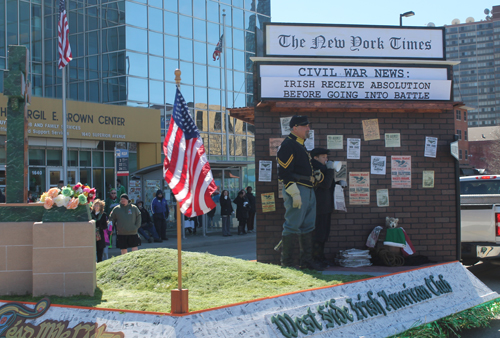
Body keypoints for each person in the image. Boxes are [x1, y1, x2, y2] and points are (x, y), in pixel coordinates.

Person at [277, 115, 323, 271]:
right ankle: (287, 263)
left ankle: (306, 261)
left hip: (308, 189)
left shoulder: (300, 146)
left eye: (308, 126)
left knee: (308, 226)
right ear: (295, 128)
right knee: (292, 225)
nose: (308, 129)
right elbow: (283, 172)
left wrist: (315, 176)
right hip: (297, 189)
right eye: (305, 126)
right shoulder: (288, 145)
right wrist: (294, 192)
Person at [310, 148, 340, 268]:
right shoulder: (315, 168)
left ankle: (321, 257)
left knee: (324, 234)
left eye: (326, 157)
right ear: (315, 158)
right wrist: (331, 169)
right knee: (319, 234)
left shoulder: (324, 168)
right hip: (319, 207)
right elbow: (325, 184)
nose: (326, 159)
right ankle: (316, 258)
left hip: (325, 206)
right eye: (323, 157)